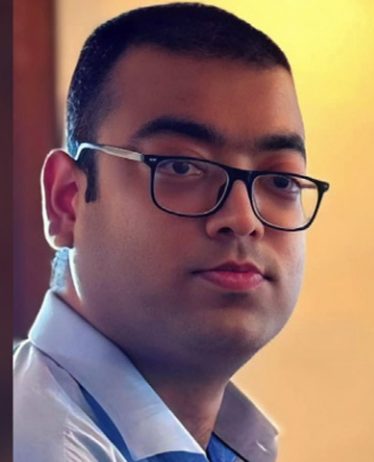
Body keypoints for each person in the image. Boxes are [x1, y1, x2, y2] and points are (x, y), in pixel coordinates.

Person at [13, 3, 329, 461]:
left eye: (280, 180)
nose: (244, 218)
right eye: (181, 166)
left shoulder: (227, 442)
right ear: (67, 201)